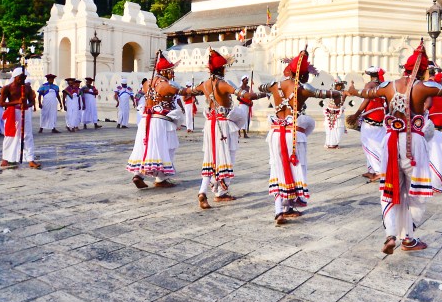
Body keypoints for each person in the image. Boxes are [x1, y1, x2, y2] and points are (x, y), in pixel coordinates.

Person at [348, 42, 442, 254]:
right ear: (424, 70)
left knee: (390, 189)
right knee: (416, 192)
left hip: (390, 142)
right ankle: (408, 237)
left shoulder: (388, 85)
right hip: (413, 145)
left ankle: (390, 234)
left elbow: (367, 94)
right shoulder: (426, 86)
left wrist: (353, 91)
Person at [259, 49, 343, 225]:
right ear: (303, 75)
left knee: (277, 168)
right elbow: (328, 93)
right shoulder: (304, 88)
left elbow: (261, 88)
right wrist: (337, 95)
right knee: (296, 168)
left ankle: (279, 210)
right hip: (293, 134)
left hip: (275, 133)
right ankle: (289, 205)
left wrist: (265, 91)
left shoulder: (275, 85)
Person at [190, 49, 266, 208]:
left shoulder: (204, 84)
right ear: (221, 69)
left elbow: (189, 92)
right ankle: (220, 193)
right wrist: (264, 93)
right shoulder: (224, 84)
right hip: (223, 126)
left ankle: (203, 191)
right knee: (226, 158)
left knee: (210, 159)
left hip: (210, 124)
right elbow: (246, 96)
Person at [127, 53, 196, 188]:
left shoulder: (147, 83)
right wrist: (200, 89)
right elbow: (185, 91)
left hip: (146, 120)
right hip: (160, 121)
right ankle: (161, 179)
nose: (173, 73)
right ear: (165, 71)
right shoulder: (166, 85)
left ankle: (138, 175)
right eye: (171, 70)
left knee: (145, 148)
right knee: (167, 147)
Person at [349, 67, 387, 181]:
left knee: (369, 144)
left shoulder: (369, 85)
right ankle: (371, 170)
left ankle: (380, 172)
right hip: (381, 117)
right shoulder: (383, 84)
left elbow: (366, 100)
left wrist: (356, 115)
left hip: (371, 118)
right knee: (378, 143)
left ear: (370, 75)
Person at [0, 67, 40, 169]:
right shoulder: (7, 88)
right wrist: (17, 102)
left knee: (27, 135)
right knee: (11, 135)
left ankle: (30, 159)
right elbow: (1, 103)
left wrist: (27, 105)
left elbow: (31, 101)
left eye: (25, 77)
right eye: (21, 77)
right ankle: (6, 158)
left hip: (25, 112)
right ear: (15, 76)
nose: (23, 79)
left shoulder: (27, 88)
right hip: (13, 112)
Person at [424, 65, 442, 193]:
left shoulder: (426, 86)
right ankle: (436, 182)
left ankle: (432, 184)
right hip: (441, 123)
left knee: (429, 154)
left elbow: (427, 104)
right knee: (438, 154)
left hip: (430, 124)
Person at [324, 80, 347, 149]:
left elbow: (350, 93)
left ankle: (335, 143)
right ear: (335, 86)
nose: (339, 86)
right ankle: (329, 143)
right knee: (329, 129)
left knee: (339, 129)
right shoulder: (331, 92)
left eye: (340, 85)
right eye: (338, 85)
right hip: (329, 113)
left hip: (339, 113)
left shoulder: (344, 93)